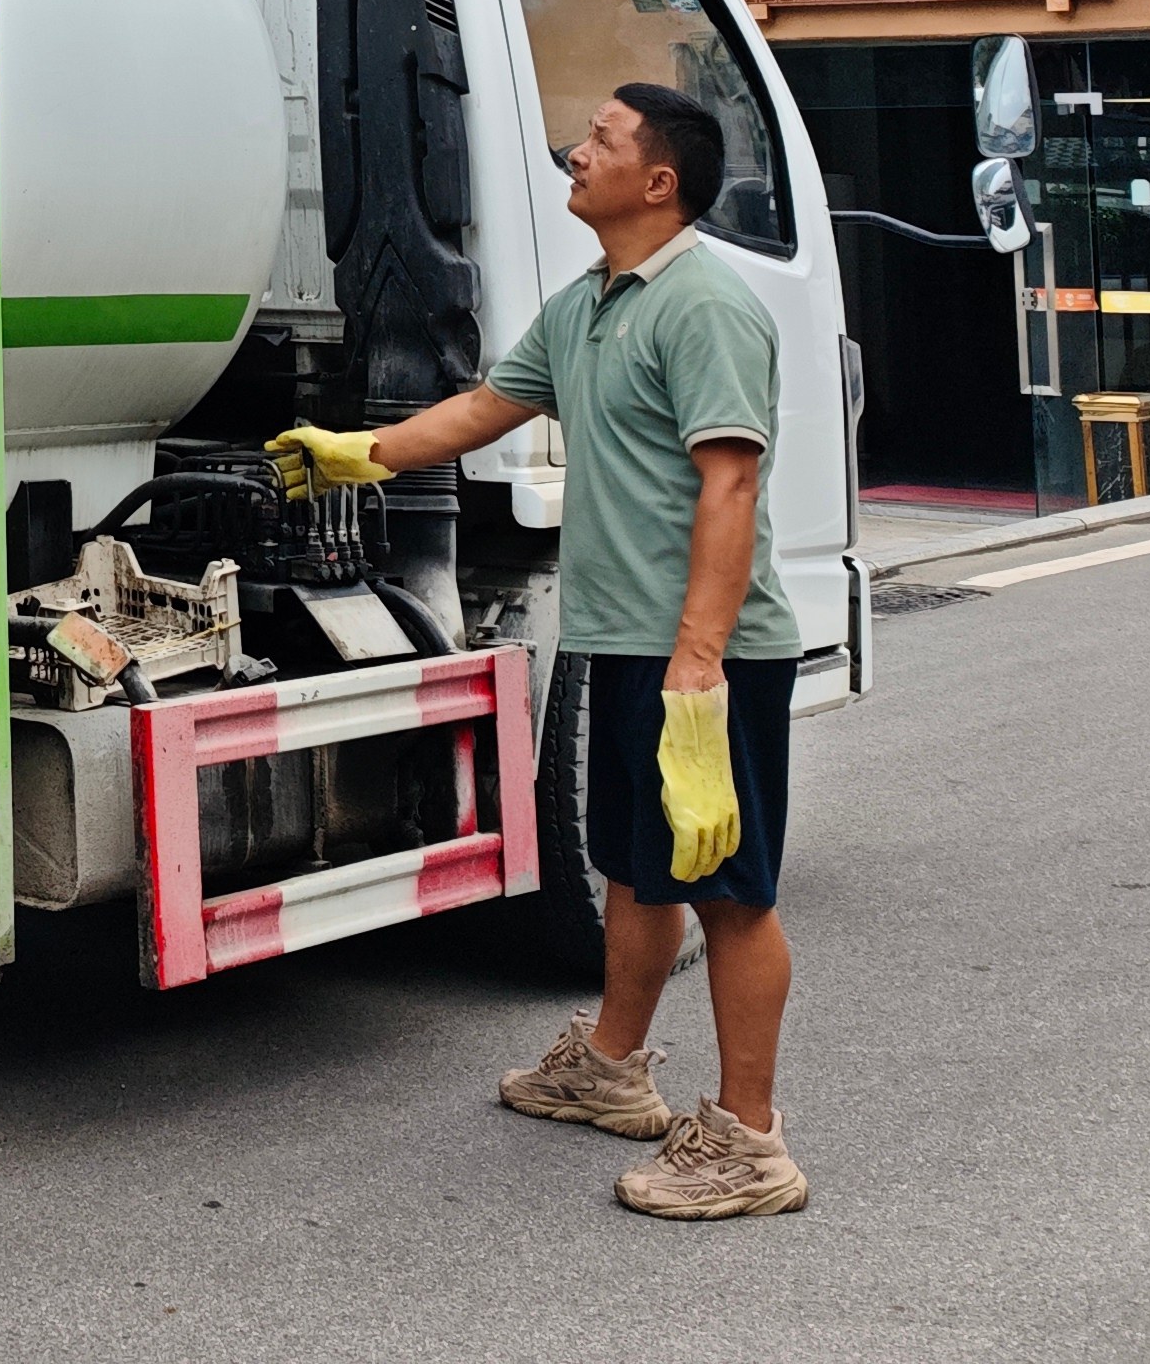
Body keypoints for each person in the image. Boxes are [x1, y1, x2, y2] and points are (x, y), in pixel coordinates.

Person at [270, 78, 809, 1219]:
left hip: (703, 660)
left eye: (601, 141)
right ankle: (611, 1072)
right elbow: (480, 410)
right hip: (626, 642)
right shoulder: (588, 305)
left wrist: (699, 660)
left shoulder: (703, 306)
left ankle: (751, 1141)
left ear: (655, 182)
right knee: (633, 864)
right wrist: (354, 452)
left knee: (729, 889)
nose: (576, 151)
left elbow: (733, 480)